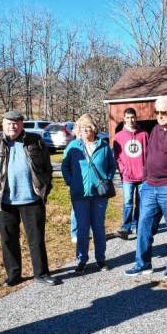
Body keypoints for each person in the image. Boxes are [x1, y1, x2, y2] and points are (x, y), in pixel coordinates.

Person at [0, 110, 58, 287]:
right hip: (4, 202)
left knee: (36, 238)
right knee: (8, 239)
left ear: (22, 124)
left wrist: (45, 188)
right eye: (9, 123)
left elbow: (47, 167)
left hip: (32, 200)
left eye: (16, 123)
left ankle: (41, 273)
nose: (12, 126)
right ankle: (14, 275)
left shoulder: (35, 141)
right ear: (3, 124)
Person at [125, 96, 167, 278]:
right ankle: (143, 263)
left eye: (163, 112)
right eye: (156, 112)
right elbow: (149, 155)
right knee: (144, 226)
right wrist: (144, 178)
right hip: (150, 185)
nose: (159, 115)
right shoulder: (155, 130)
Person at [62, 113, 117, 273]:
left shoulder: (104, 146)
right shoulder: (73, 147)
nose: (86, 130)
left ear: (94, 129)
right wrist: (70, 181)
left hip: (99, 195)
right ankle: (81, 259)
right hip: (79, 194)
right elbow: (65, 167)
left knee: (98, 227)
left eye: (89, 127)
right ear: (78, 129)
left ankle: (101, 259)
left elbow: (112, 167)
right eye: (82, 127)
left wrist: (106, 179)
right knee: (82, 228)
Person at [113, 107, 148, 240]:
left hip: (142, 176)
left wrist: (146, 170)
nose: (130, 120)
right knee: (127, 202)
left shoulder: (144, 134)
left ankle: (138, 226)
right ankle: (126, 228)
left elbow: (149, 153)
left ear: (136, 118)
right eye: (127, 118)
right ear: (124, 119)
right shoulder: (119, 136)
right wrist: (123, 169)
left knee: (140, 202)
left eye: (132, 117)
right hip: (127, 176)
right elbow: (116, 156)